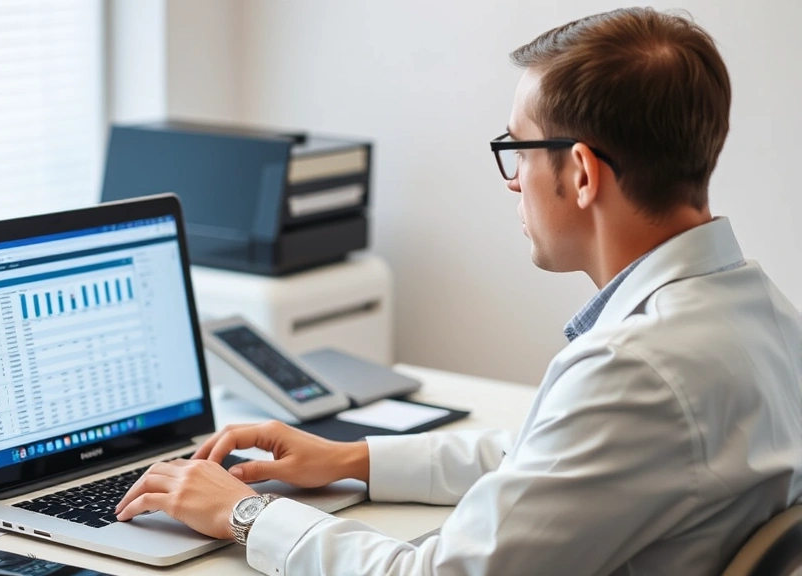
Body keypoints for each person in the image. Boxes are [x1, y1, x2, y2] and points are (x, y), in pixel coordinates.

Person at [114, 7, 802, 575]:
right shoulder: (758, 309)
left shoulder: (639, 370)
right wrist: (352, 459)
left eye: (519, 149)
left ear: (584, 175)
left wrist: (244, 515)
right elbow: (552, 462)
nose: (511, 179)